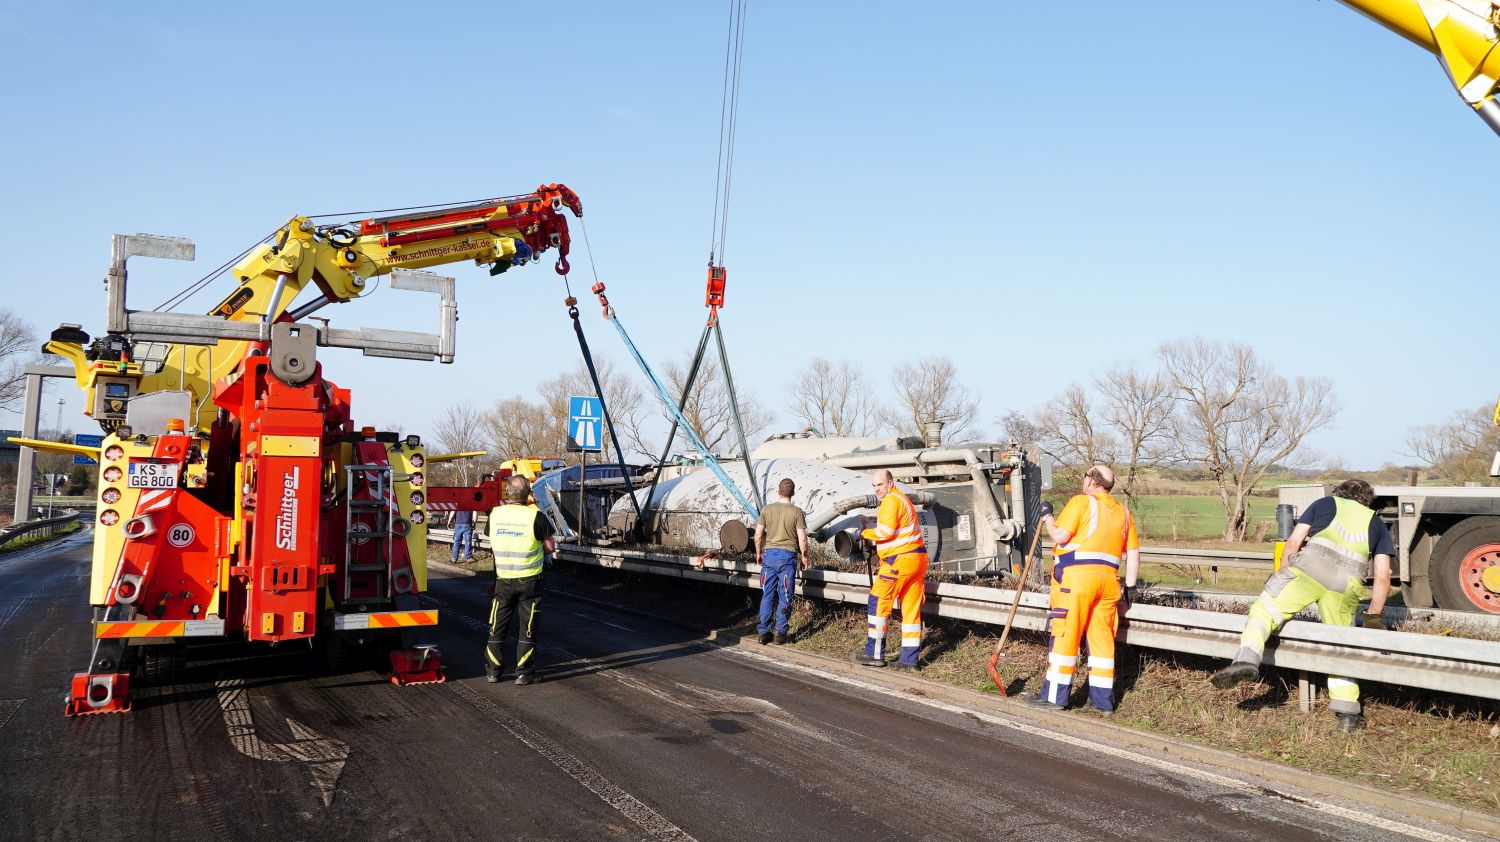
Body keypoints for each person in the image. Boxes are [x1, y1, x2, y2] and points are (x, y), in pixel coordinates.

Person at [1210, 479, 1392, 733]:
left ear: (1339, 493)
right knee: (1340, 644)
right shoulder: (1376, 522)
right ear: (1368, 500)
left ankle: (1247, 659)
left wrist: (1282, 576)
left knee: (1264, 609)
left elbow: (1294, 542)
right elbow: (1383, 576)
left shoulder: (1324, 503)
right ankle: (1348, 714)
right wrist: (1373, 616)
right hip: (1347, 585)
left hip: (1309, 571)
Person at [1026, 465, 1139, 715]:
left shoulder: (1081, 502)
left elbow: (1060, 536)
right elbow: (1133, 553)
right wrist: (1130, 588)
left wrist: (1047, 516)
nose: (1084, 480)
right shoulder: (1124, 512)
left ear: (1092, 481)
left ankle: (1055, 698)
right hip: (1109, 585)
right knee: (1102, 640)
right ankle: (1103, 702)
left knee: (1066, 634)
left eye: (1085, 476)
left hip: (1077, 582)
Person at [854, 469, 929, 670]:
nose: (877, 489)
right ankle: (909, 660)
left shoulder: (890, 501)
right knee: (911, 610)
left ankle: (874, 654)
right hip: (917, 560)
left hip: (899, 562)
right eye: (874, 485)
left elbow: (885, 532)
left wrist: (864, 533)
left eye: (880, 484)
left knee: (877, 602)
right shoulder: (903, 500)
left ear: (891, 483)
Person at [485, 475, 556, 686]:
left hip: (504, 580)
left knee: (497, 626)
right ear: (528, 494)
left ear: (507, 492)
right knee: (528, 627)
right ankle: (524, 673)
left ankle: (493, 672)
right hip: (530, 581)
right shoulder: (536, 516)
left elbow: (493, 541)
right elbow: (550, 547)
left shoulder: (495, 514)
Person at [754, 478, 810, 645]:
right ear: (793, 493)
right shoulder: (797, 512)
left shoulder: (767, 509)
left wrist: (758, 553)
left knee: (767, 595)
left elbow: (758, 535)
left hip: (769, 556)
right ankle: (780, 634)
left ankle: (763, 633)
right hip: (787, 558)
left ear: (778, 492)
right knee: (785, 596)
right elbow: (803, 539)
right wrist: (804, 557)